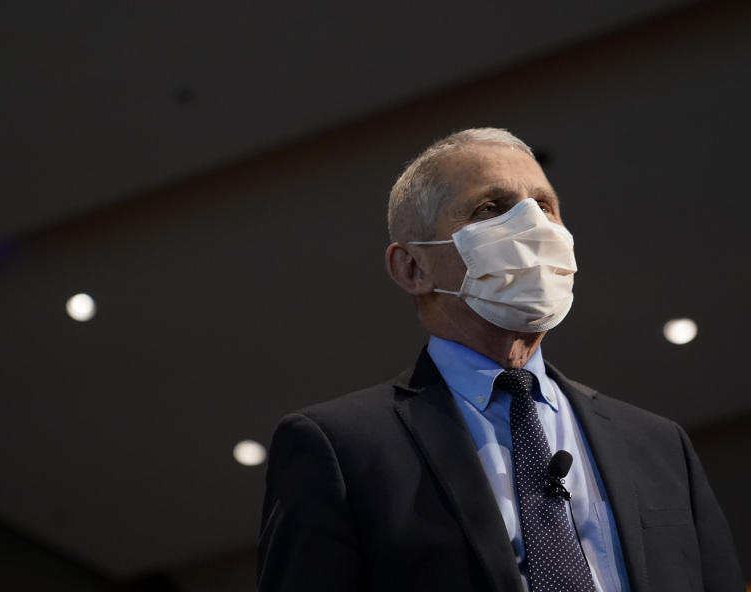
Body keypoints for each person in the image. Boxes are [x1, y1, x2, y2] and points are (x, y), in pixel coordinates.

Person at [256, 128, 744, 591]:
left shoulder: (658, 444)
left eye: (545, 206)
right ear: (412, 266)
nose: (533, 227)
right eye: (491, 208)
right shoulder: (340, 447)